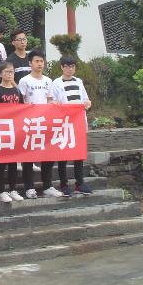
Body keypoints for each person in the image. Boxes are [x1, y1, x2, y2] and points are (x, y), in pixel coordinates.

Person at [49, 55, 94, 197]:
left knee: (78, 154)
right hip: (64, 122)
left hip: (78, 122)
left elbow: (86, 99)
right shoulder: (56, 83)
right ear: (62, 67)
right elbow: (51, 101)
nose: (70, 69)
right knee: (63, 154)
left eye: (72, 66)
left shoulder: (78, 81)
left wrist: (87, 104)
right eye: (67, 66)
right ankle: (63, 184)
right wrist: (56, 105)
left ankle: (79, 183)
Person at [18, 50, 60, 198]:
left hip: (45, 122)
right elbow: (21, 101)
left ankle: (47, 186)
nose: (39, 64)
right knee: (28, 157)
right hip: (29, 122)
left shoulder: (48, 81)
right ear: (30, 63)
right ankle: (29, 187)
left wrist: (53, 105)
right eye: (36, 61)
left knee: (48, 154)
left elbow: (50, 99)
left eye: (41, 61)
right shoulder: (24, 81)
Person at [0, 60, 25, 204]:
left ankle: (13, 189)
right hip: (1, 130)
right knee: (1, 163)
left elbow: (22, 109)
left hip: (15, 130)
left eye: (12, 72)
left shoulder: (17, 91)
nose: (10, 74)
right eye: (7, 71)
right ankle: (2, 191)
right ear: (0, 74)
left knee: (13, 162)